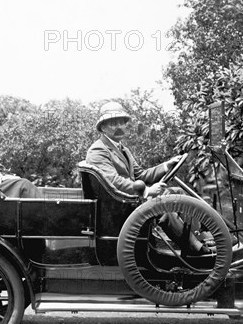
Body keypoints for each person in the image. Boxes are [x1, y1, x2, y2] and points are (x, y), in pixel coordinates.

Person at [86, 101, 212, 254]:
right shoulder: (99, 150)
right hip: (120, 206)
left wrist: (167, 165)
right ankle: (195, 249)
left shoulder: (122, 149)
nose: (119, 127)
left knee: (177, 192)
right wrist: (147, 191)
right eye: (113, 123)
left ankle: (199, 238)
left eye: (122, 122)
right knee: (164, 206)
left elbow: (140, 175)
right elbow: (114, 182)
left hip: (129, 201)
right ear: (103, 127)